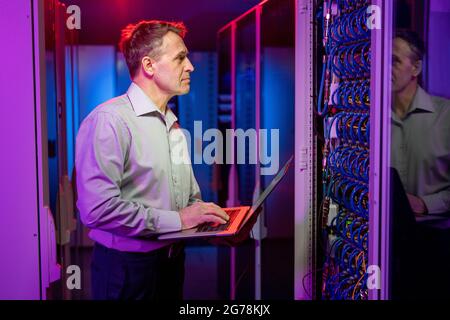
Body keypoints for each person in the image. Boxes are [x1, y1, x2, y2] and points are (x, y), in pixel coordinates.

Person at [75, 20, 230, 300]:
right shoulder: (110, 121)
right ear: (148, 65)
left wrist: (214, 225)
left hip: (171, 263)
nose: (191, 66)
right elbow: (96, 209)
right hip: (127, 271)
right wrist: (179, 219)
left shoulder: (172, 124)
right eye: (180, 57)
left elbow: (188, 200)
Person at [391, 29, 450, 216]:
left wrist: (426, 204)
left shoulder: (445, 116)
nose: (385, 68)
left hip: (434, 237)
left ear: (416, 68)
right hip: (383, 237)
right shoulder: (370, 121)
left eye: (394, 61)